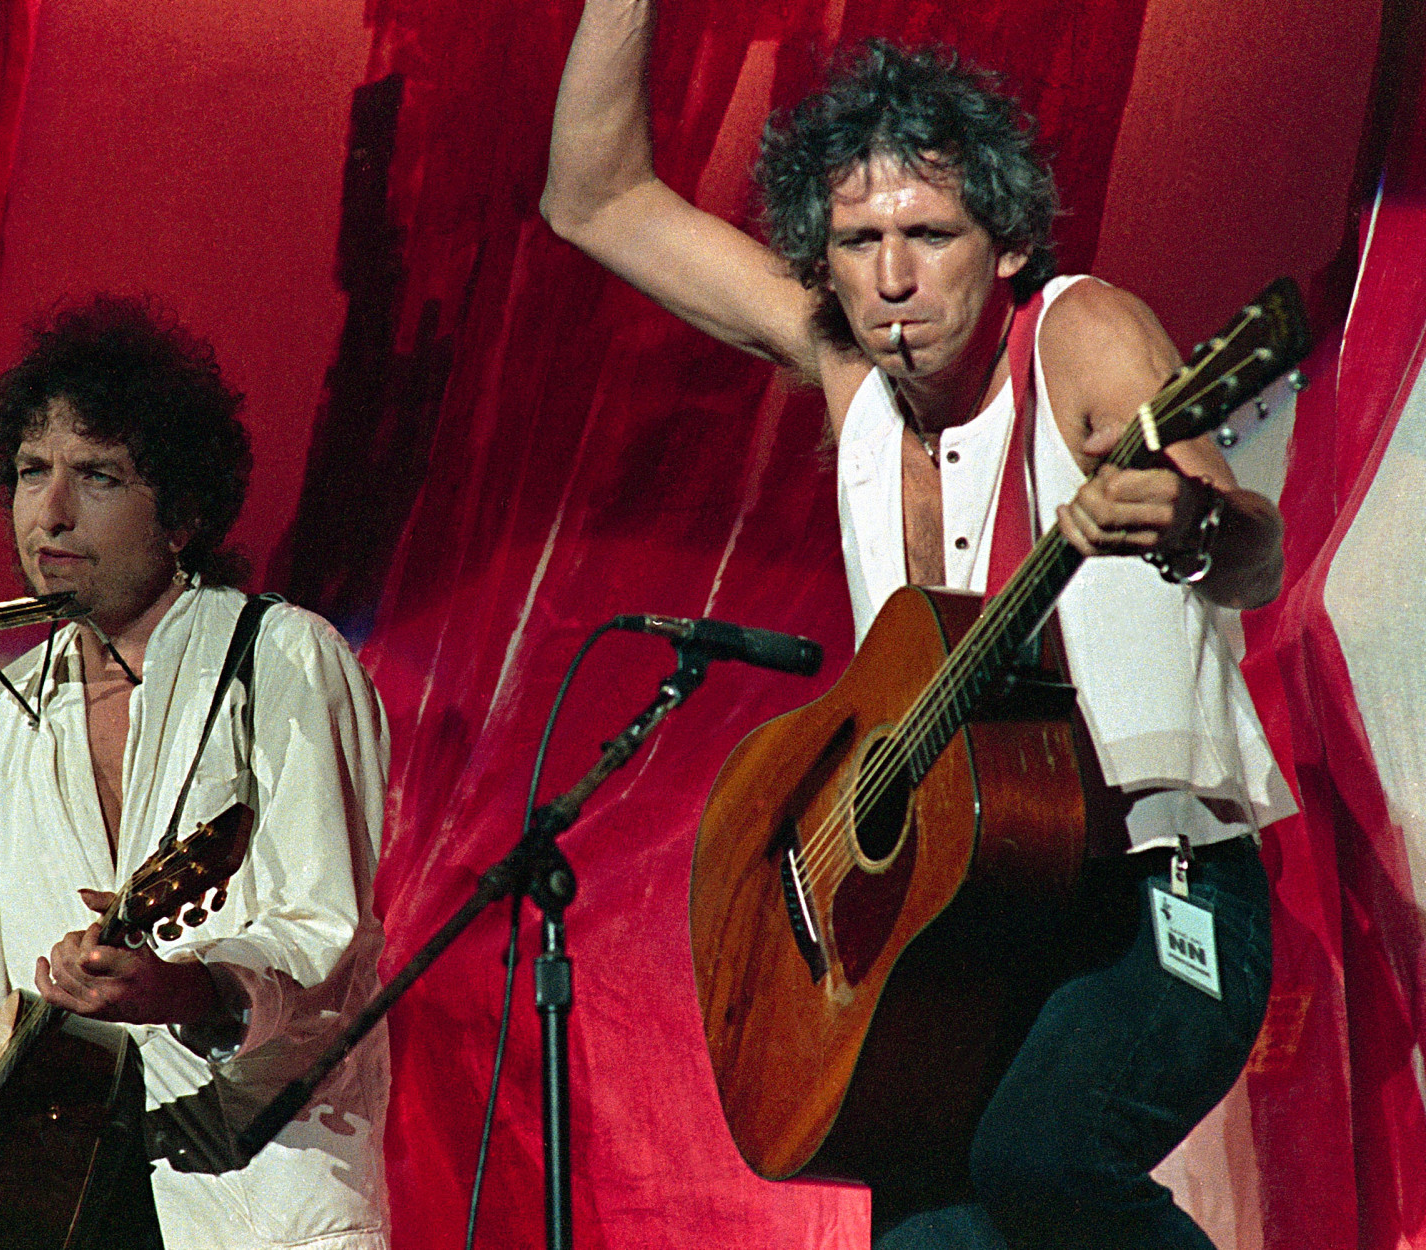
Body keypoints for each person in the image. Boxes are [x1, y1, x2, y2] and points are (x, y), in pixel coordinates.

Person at [542, 9, 1294, 1249]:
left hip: (1153, 886)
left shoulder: (1081, 333)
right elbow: (595, 199)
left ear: (1003, 244)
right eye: (858, 242)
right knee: (925, 1234)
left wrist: (1190, 521)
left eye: (930, 235)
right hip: (959, 919)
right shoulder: (848, 368)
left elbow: (1252, 561)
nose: (892, 278)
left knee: (1045, 1155)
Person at [0, 296, 391, 1250]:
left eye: (98, 476)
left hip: (260, 1210)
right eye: (31, 471)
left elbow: (326, 941)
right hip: (47, 1210)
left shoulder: (281, 660)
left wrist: (194, 992)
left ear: (184, 515)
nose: (50, 512)